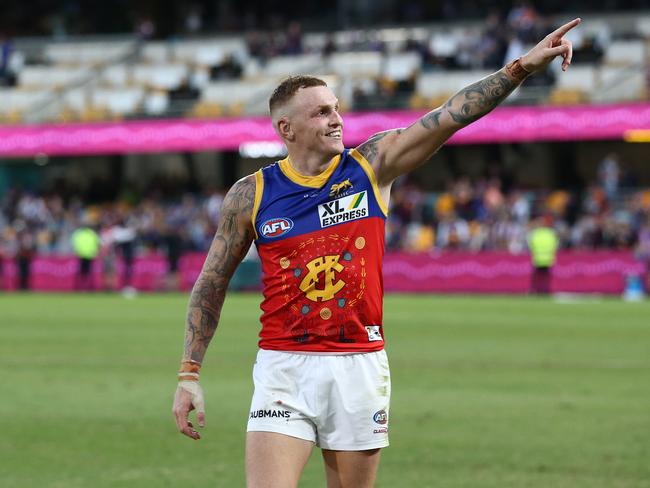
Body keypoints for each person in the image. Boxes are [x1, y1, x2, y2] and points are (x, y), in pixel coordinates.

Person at [173, 18, 581, 487]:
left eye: (336, 108)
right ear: (286, 128)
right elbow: (211, 282)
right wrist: (189, 373)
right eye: (321, 112)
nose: (336, 119)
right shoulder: (251, 194)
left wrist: (520, 68)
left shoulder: (371, 166)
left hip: (358, 365)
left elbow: (452, 114)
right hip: (283, 367)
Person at [527, 215, 559, 294]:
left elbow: (530, 244)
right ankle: (546, 290)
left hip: (538, 258)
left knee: (537, 277)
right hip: (548, 258)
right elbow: (556, 244)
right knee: (546, 277)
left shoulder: (535, 233)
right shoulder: (551, 233)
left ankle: (535, 290)